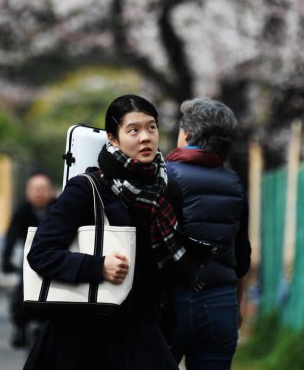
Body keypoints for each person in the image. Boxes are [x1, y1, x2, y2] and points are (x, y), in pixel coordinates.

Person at [23, 94, 209, 370]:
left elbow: (167, 272)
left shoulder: (167, 189)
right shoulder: (87, 188)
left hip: (140, 327)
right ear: (113, 138)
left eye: (151, 127)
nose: (145, 137)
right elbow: (40, 253)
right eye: (133, 130)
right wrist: (99, 266)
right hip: (83, 331)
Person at [165, 97, 251, 369]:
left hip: (171, 304)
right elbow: (242, 256)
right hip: (220, 304)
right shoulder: (234, 183)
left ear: (188, 134)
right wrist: (234, 306)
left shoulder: (165, 176)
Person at [1, 171, 56, 348]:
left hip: (57, 260)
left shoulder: (59, 208)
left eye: (42, 189)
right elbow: (10, 237)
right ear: (27, 191)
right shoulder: (22, 211)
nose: (38, 193)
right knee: (19, 299)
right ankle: (20, 329)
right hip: (29, 263)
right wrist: (6, 260)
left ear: (51, 191)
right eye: (34, 189)